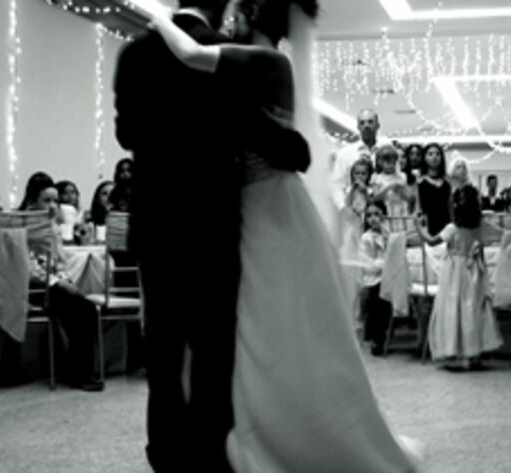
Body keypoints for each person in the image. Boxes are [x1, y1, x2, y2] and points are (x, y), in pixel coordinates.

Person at [149, 1, 424, 471]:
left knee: (266, 316)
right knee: (263, 319)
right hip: (261, 202)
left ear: (252, 15)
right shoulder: (267, 62)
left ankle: (273, 428)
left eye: (237, 10)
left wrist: (157, 16)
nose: (230, 17)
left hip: (265, 205)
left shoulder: (266, 60)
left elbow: (192, 54)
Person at [114, 0, 314, 471]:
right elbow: (252, 127)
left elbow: (126, 135)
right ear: (222, 6)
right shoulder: (224, 55)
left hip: (156, 221)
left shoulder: (134, 53)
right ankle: (208, 454)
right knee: (211, 347)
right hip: (212, 219)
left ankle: (165, 454)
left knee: (163, 347)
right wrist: (294, 148)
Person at [18, 173, 103, 391]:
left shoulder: (52, 225)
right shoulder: (23, 226)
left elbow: (58, 261)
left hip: (53, 284)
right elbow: (28, 265)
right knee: (82, 309)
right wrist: (56, 282)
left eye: (55, 200)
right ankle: (80, 374)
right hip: (32, 287)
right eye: (47, 200)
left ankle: (81, 370)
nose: (53, 205)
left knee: (86, 308)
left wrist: (64, 279)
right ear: (32, 202)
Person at [415, 185, 502, 370]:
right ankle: (473, 353)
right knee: (472, 308)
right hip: (474, 270)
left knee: (453, 308)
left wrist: (420, 227)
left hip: (454, 272)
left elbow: (431, 241)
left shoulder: (452, 228)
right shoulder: (480, 226)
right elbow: (493, 241)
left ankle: (455, 350)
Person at [330, 108, 391, 211]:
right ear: (358, 127)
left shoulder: (387, 151)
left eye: (370, 122)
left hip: (383, 210)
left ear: (378, 125)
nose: (366, 126)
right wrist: (343, 207)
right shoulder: (345, 153)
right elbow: (337, 184)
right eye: (362, 123)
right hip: (354, 210)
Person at [358, 201, 392, 356]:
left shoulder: (388, 234)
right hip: (373, 278)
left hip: (389, 276)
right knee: (378, 296)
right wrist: (384, 263)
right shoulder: (365, 238)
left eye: (377, 214)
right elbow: (367, 264)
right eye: (369, 215)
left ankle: (384, 333)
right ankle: (377, 337)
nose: (373, 219)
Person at [418, 143, 452, 237]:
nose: (434, 157)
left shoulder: (448, 181)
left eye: (438, 154)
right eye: (430, 154)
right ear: (424, 158)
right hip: (427, 226)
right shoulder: (419, 182)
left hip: (447, 225)